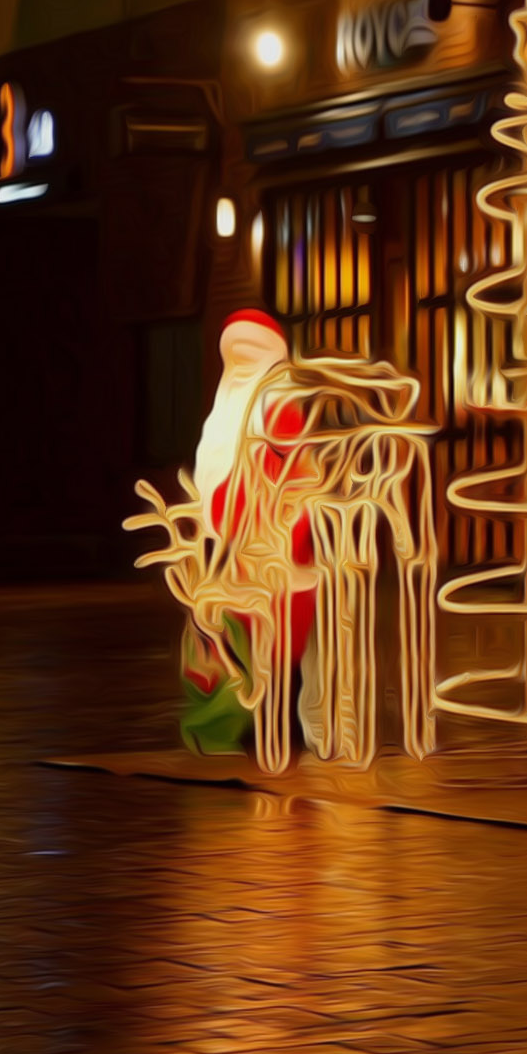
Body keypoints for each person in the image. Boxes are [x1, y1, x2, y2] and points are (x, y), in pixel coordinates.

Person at [179, 310, 318, 755]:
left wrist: (281, 529)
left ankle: (275, 731)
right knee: (236, 639)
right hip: (225, 548)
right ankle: (248, 725)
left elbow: (299, 475)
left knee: (275, 643)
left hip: (270, 546)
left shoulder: (277, 407)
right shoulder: (226, 409)